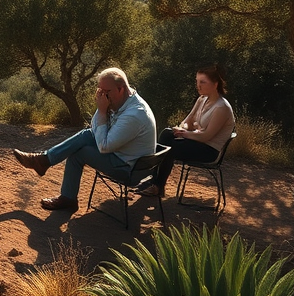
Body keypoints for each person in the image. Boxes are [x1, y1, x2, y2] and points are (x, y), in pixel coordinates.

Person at [12, 67, 156, 212]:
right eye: (100, 91)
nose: (103, 96)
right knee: (86, 135)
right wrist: (102, 109)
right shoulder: (122, 101)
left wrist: (101, 110)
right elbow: (94, 129)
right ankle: (45, 162)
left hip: (130, 169)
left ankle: (62, 189)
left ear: (121, 88)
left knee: (79, 152)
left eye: (106, 92)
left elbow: (104, 146)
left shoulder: (134, 115)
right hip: (123, 156)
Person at [139, 64, 235, 197]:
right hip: (196, 141)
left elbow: (206, 137)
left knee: (168, 149)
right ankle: (154, 183)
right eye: (197, 81)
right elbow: (187, 121)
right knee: (167, 133)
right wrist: (181, 129)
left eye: (202, 82)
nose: (198, 85)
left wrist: (185, 134)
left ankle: (156, 185)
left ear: (215, 84)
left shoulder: (221, 107)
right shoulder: (202, 99)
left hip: (208, 150)